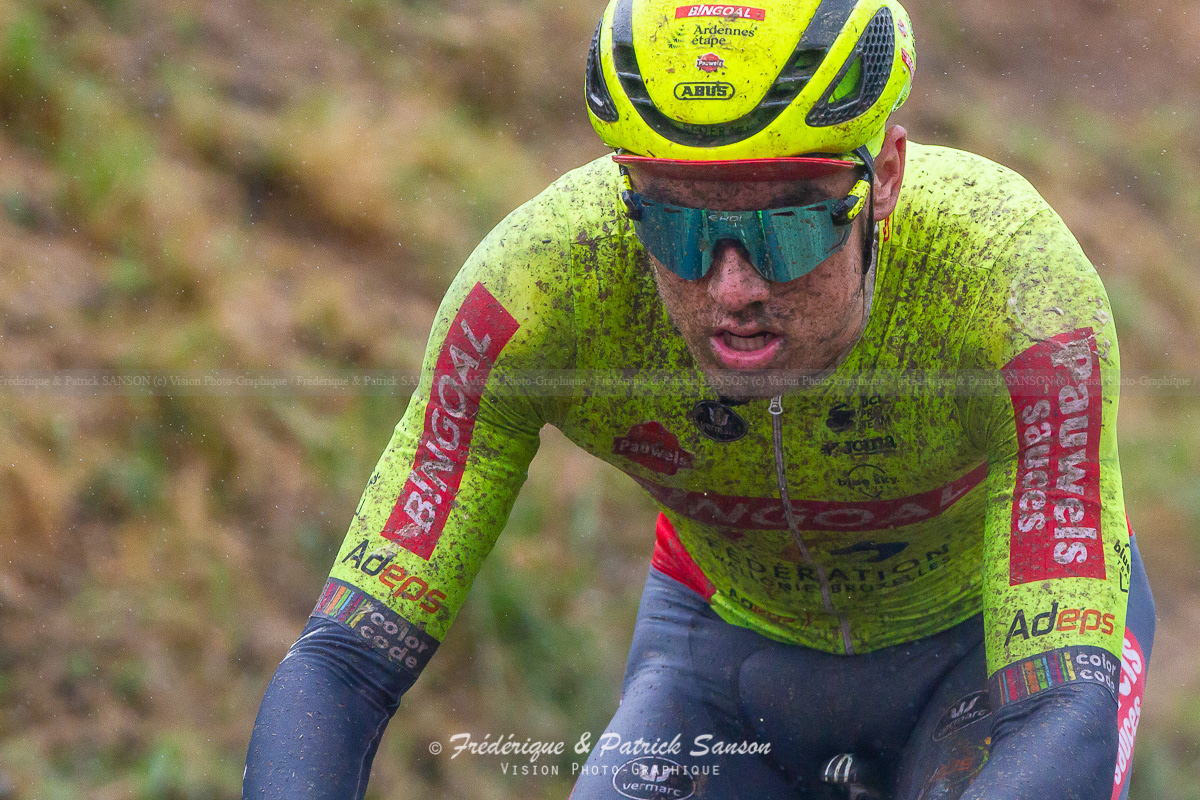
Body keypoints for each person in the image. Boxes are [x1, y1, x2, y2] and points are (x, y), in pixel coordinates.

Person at [243, 0, 1155, 797]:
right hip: (726, 655)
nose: (733, 288)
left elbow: (1062, 709)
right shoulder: (542, 288)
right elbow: (345, 660)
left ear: (885, 181)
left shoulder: (1011, 290)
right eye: (677, 226)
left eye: (788, 227)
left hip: (987, 660)